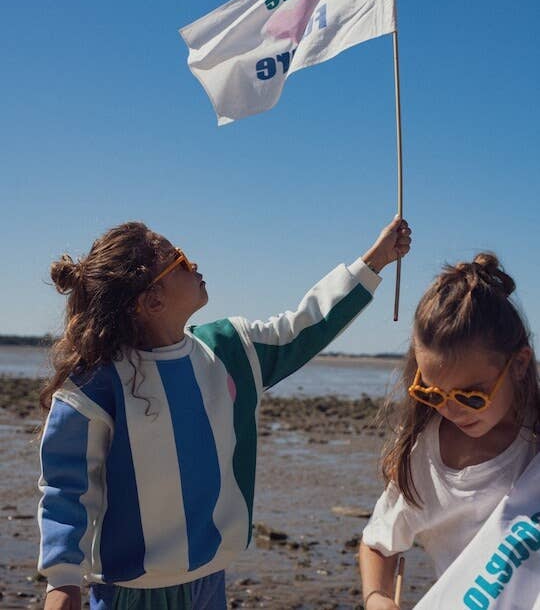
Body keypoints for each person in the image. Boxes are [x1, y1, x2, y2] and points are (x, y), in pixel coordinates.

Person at [38, 215, 411, 610]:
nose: (194, 263)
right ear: (152, 301)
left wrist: (375, 260)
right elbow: (66, 487)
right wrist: (62, 581)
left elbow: (306, 326)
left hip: (209, 580)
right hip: (128, 593)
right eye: (180, 260)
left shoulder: (231, 351)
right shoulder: (95, 384)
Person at [359, 253, 540, 610]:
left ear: (519, 365)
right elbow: (378, 543)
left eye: (471, 396)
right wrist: (376, 596)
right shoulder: (424, 459)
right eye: (431, 393)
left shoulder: (532, 443)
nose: (450, 410)